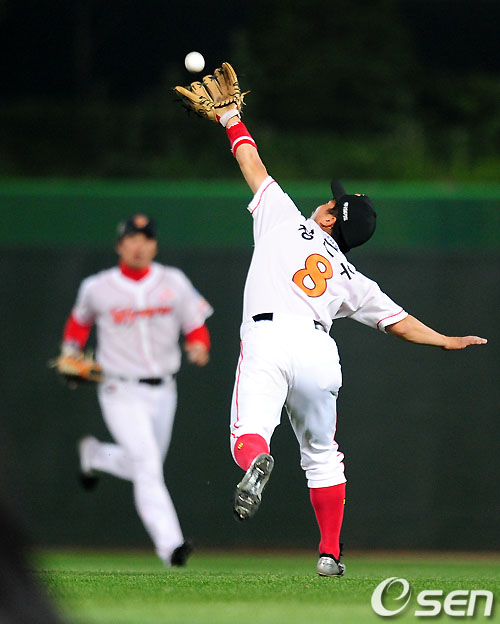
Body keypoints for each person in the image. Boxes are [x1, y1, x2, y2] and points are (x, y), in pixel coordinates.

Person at [175, 64, 488, 577]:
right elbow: (400, 322)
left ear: (326, 218)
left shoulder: (283, 218)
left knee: (249, 433)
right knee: (323, 454)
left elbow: (251, 161)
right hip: (319, 350)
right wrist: (446, 340)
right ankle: (329, 555)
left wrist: (231, 118)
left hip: (268, 336)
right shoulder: (350, 276)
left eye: (329, 202)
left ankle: (256, 461)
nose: (325, 201)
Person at [59, 214, 213, 568]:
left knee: (146, 465)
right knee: (146, 464)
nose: (139, 245)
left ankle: (96, 455)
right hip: (119, 388)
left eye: (146, 238)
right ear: (120, 245)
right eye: (132, 238)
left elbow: (195, 325)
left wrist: (199, 346)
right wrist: (70, 352)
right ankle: (171, 547)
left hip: (164, 390)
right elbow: (78, 324)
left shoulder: (173, 281)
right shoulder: (97, 287)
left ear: (154, 245)